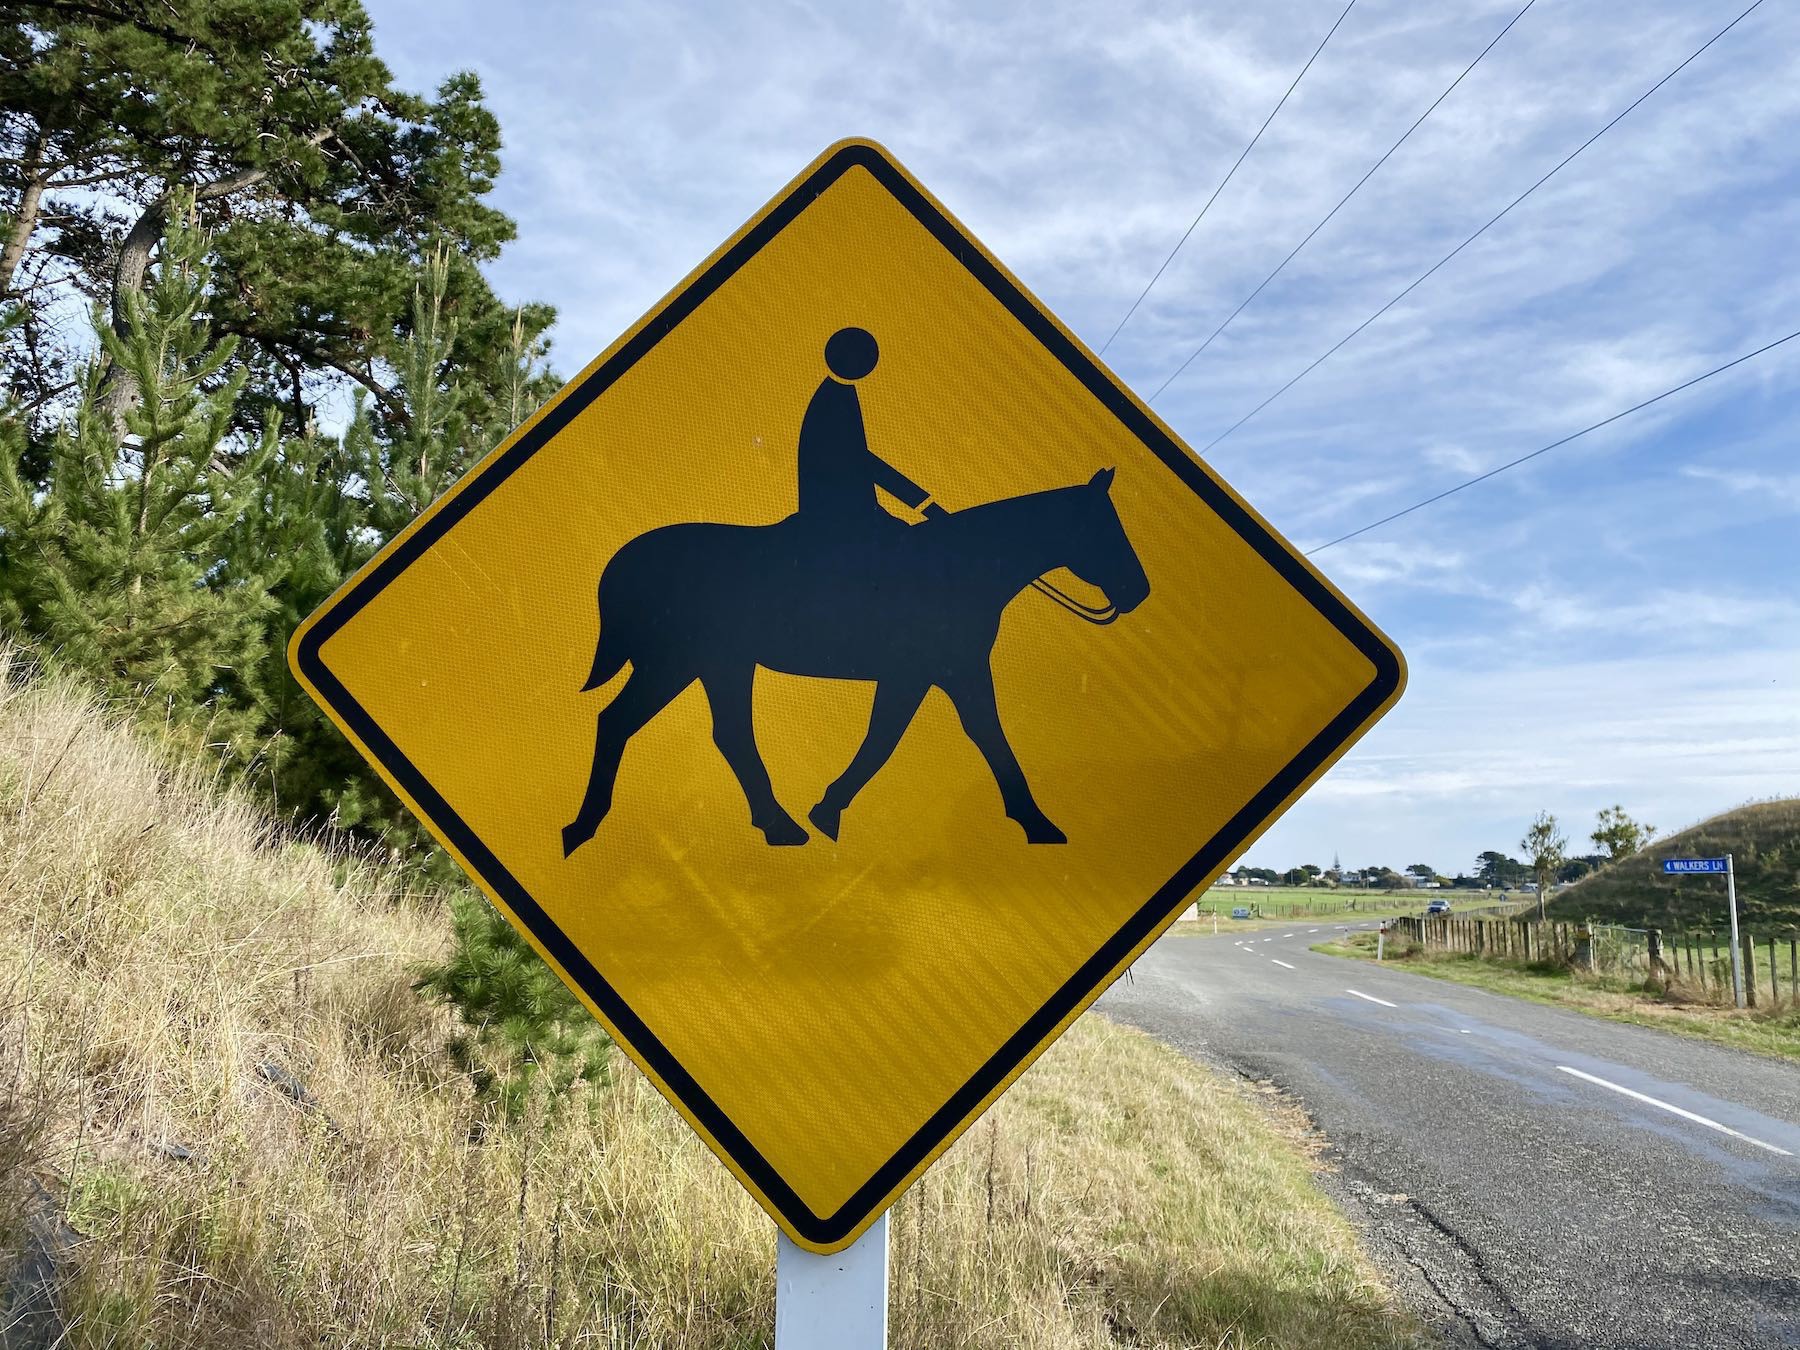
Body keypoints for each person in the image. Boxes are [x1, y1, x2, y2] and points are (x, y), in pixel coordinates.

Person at [794, 327, 944, 529]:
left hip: (845, 506)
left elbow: (862, 461)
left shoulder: (838, 395)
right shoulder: (832, 401)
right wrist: (923, 503)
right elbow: (862, 461)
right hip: (841, 511)